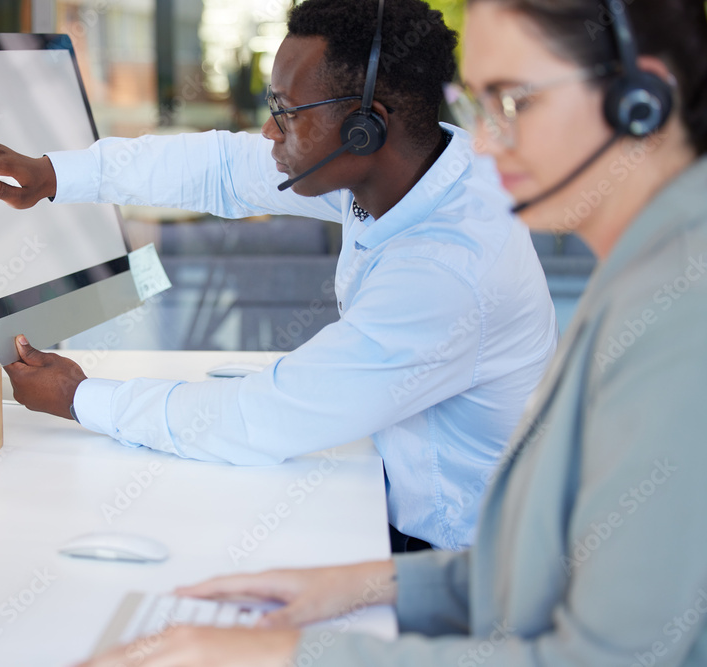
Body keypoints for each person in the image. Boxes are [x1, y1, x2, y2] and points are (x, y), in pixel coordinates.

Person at [71, 0, 707, 664]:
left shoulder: (680, 314)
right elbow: (544, 570)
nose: (484, 142)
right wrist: (357, 585)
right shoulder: (647, 262)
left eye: (514, 102)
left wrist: (284, 654)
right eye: (476, 104)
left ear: (641, 99)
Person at [0, 0, 558, 551]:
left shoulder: (446, 273)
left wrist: (79, 397)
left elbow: (259, 420)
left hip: (460, 566)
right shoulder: (410, 168)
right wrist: (54, 174)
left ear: (367, 125)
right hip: (384, 489)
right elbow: (222, 168)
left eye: (286, 114)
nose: (269, 133)